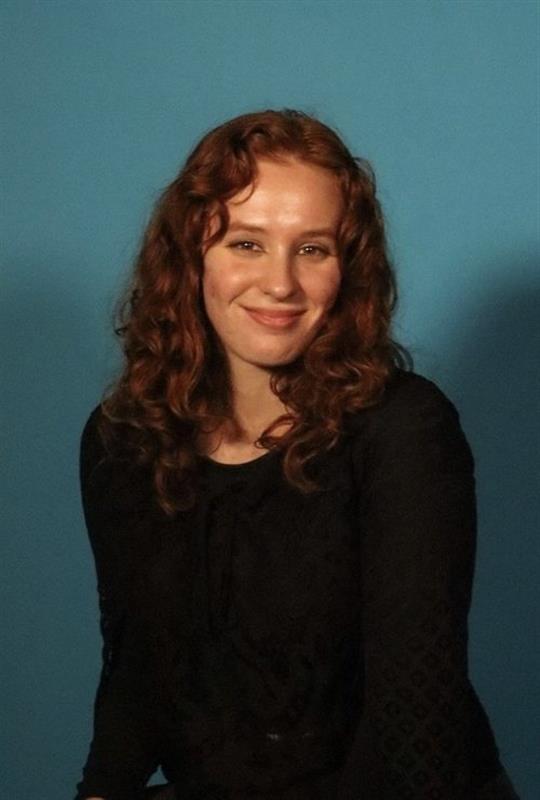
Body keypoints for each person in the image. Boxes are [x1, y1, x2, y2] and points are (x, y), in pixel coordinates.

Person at [73, 109, 518, 800]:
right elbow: (138, 677)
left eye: (312, 248)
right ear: (191, 256)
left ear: (349, 269)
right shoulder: (121, 439)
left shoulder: (404, 430)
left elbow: (415, 729)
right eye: (246, 244)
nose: (281, 283)